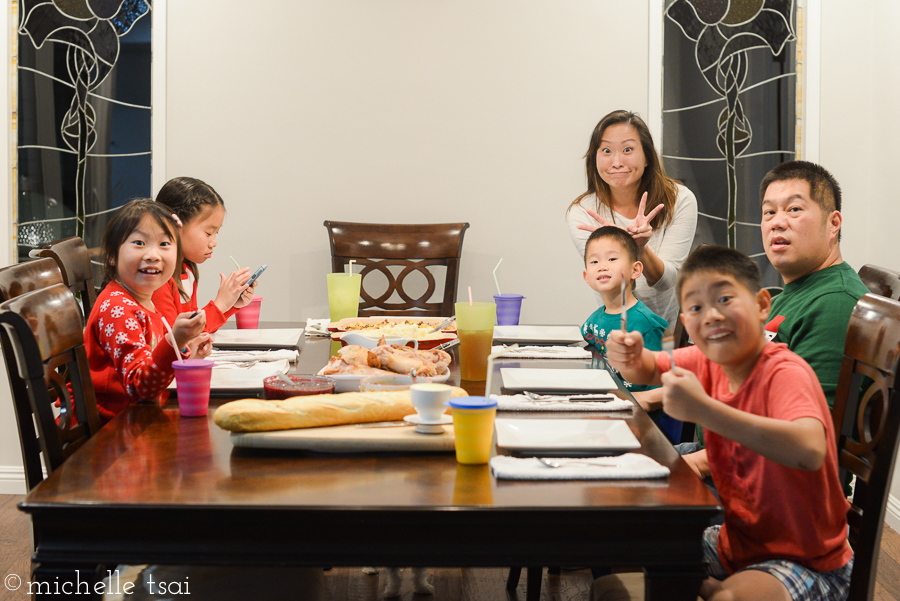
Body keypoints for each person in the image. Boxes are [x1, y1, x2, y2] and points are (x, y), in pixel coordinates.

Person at [604, 245, 853, 601]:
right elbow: (648, 365)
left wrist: (705, 411)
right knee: (630, 542)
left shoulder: (784, 372)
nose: (711, 316)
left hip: (807, 560)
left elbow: (811, 450)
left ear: (762, 306)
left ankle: (705, 587)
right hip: (737, 544)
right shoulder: (707, 360)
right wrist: (628, 355)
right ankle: (701, 584)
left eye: (724, 299)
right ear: (687, 322)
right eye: (695, 307)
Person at [676, 160, 870, 480]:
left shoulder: (834, 304)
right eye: (769, 212)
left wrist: (692, 466)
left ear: (833, 223)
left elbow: (808, 440)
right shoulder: (790, 294)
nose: (777, 222)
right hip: (719, 459)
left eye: (794, 209)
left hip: (760, 492)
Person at [567, 110, 698, 327]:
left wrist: (642, 249)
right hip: (615, 329)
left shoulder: (679, 199)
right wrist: (622, 244)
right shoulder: (583, 212)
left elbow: (666, 283)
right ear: (595, 158)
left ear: (647, 157)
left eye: (628, 149)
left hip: (668, 333)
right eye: (606, 150)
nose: (616, 162)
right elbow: (609, 283)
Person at [86, 199, 212, 423]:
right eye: (139, 242)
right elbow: (140, 387)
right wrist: (175, 342)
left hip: (141, 417)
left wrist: (188, 352)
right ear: (112, 255)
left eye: (164, 244)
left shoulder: (145, 300)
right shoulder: (118, 309)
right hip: (113, 430)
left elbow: (150, 366)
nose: (153, 255)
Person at [153, 176, 257, 333]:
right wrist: (220, 304)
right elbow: (175, 340)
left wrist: (231, 304)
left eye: (216, 233)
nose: (213, 242)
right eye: (209, 233)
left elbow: (197, 329)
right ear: (175, 224)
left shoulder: (187, 270)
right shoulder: (157, 277)